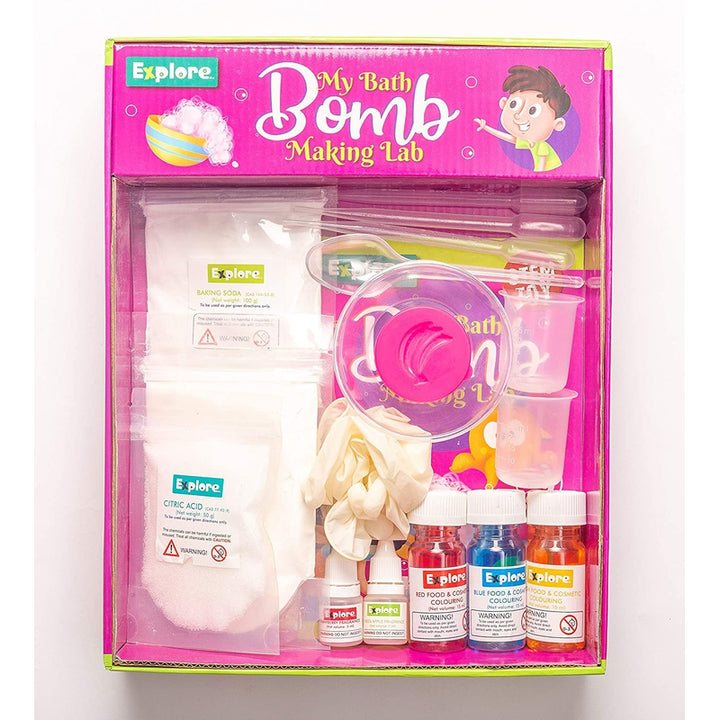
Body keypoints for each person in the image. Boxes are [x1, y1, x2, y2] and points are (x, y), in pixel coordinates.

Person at [474, 65, 571, 172]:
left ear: (557, 124)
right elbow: (509, 138)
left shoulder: (541, 147)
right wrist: (486, 127)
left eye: (532, 111)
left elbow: (541, 170)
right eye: (513, 104)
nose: (519, 115)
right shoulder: (531, 142)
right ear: (504, 103)